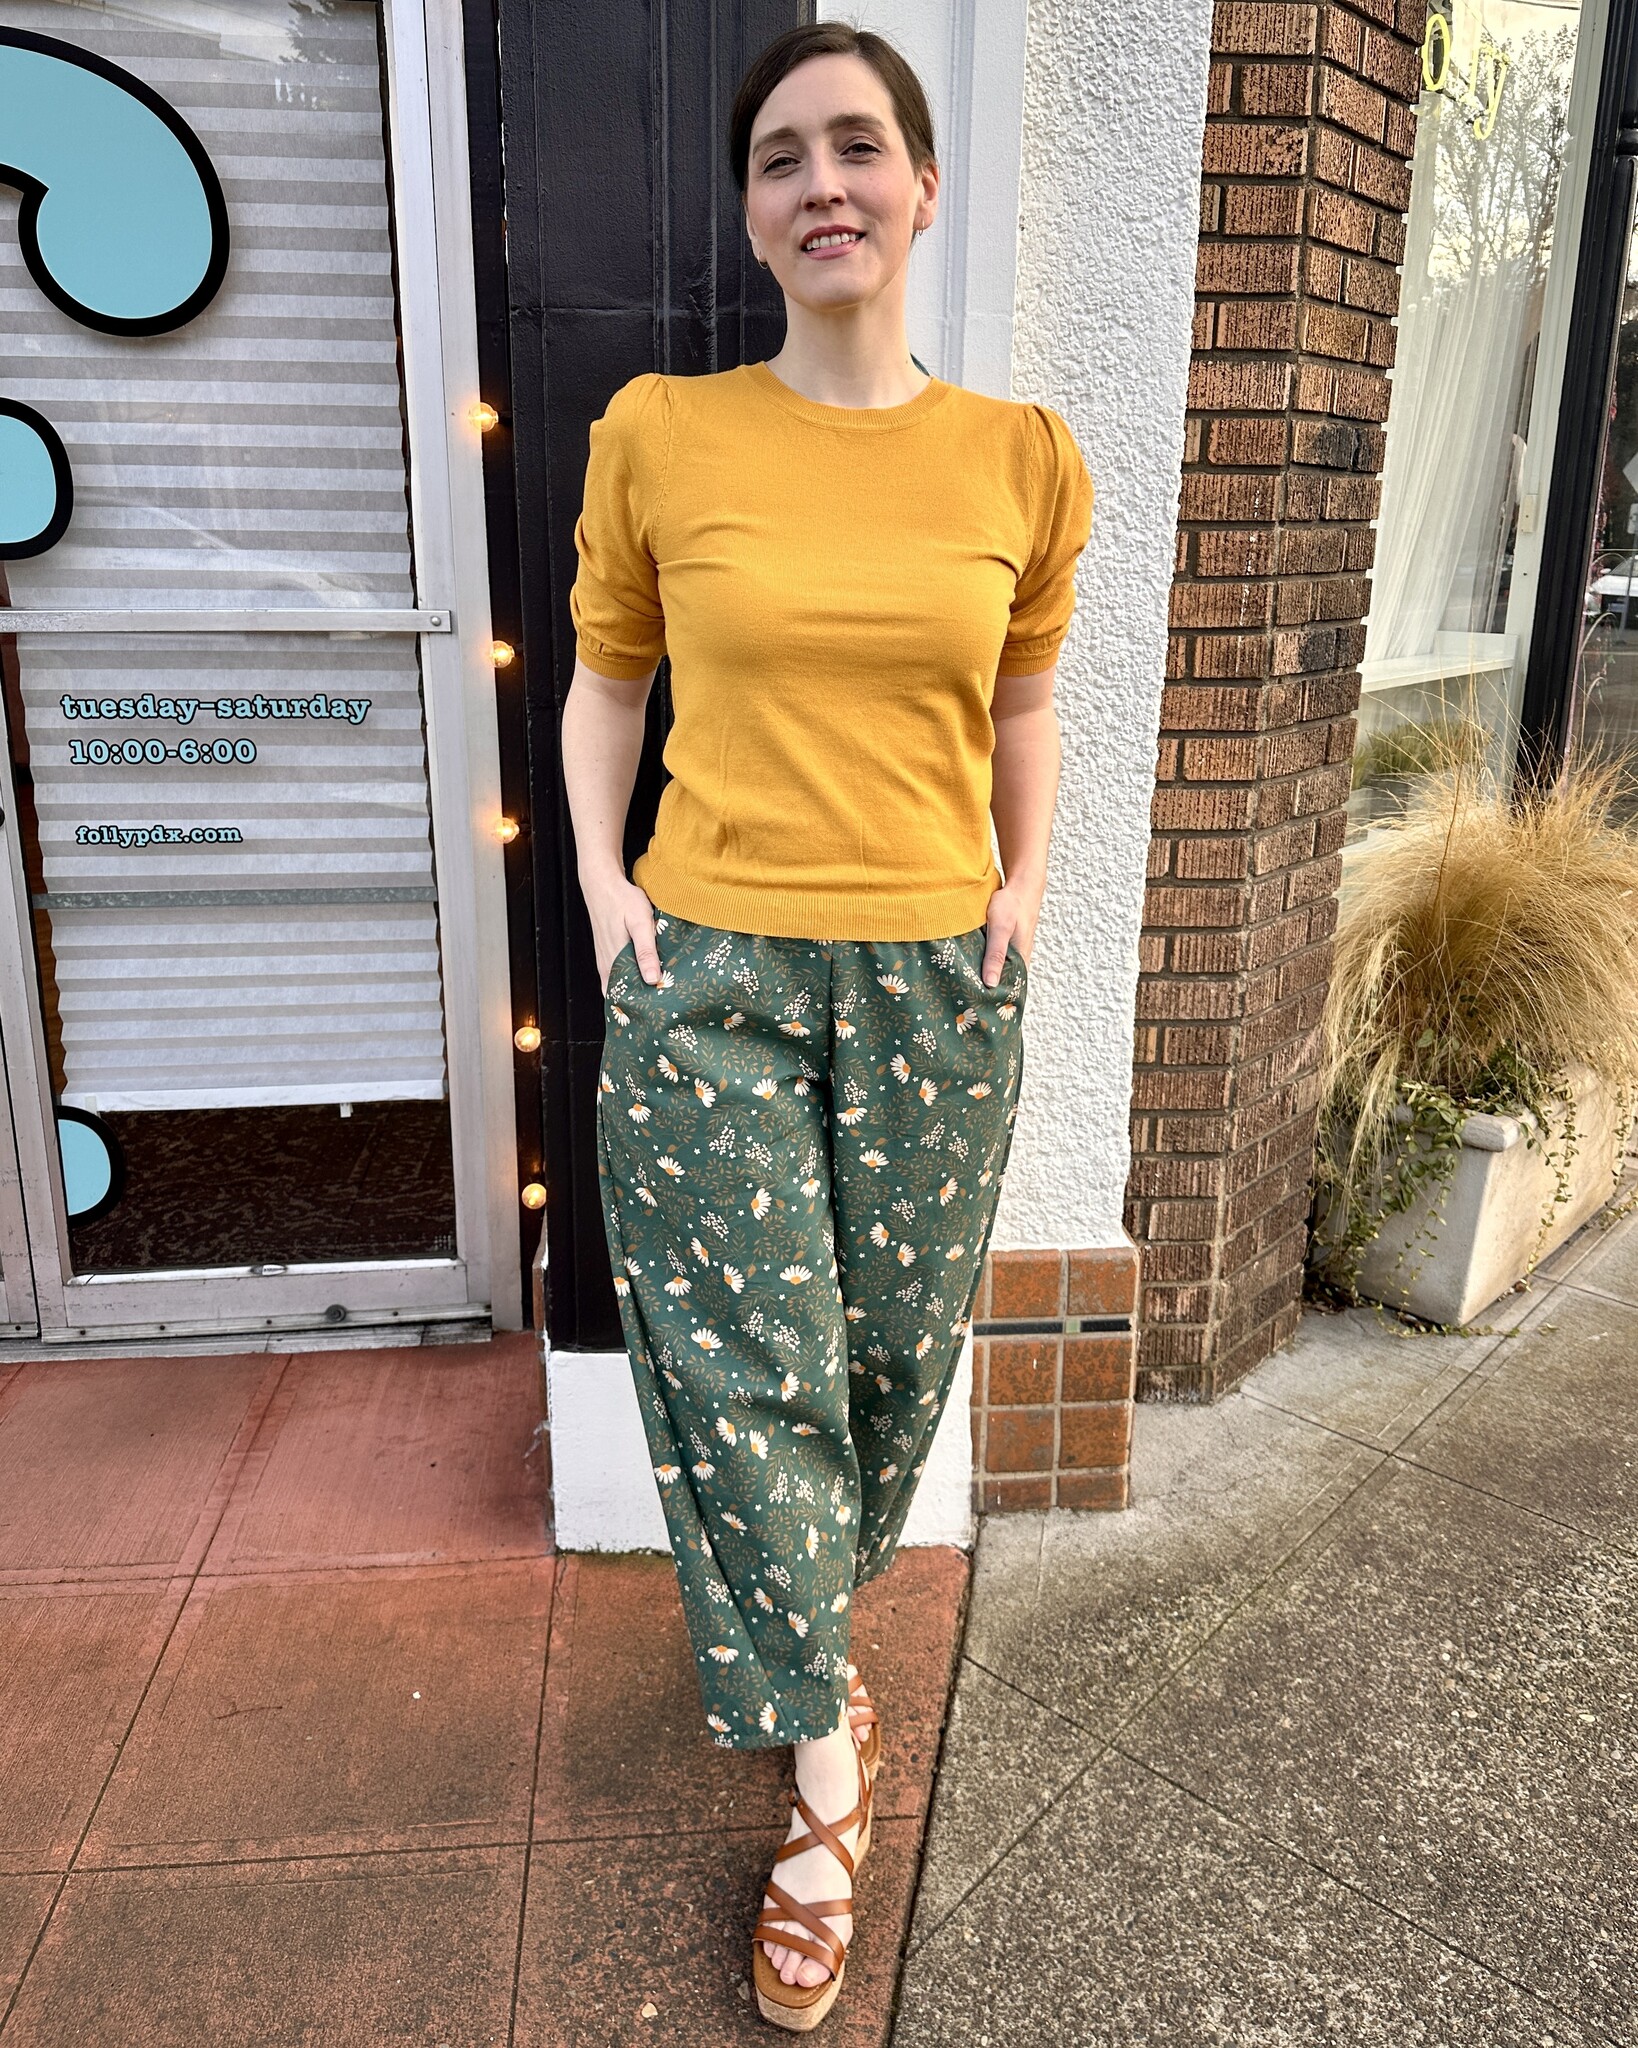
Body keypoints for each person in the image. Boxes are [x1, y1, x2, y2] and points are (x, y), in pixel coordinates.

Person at [561, 21, 1092, 2031]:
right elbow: (607, 685)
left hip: (935, 977)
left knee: (882, 1362)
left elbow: (1022, 700)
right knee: (749, 1366)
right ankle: (823, 1769)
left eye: (858, 145)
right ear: (752, 211)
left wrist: (1021, 886)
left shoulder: (1021, 456)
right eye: (781, 156)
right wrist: (604, 886)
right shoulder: (660, 434)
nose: (822, 183)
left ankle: (809, 1652)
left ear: (922, 189)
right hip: (712, 975)